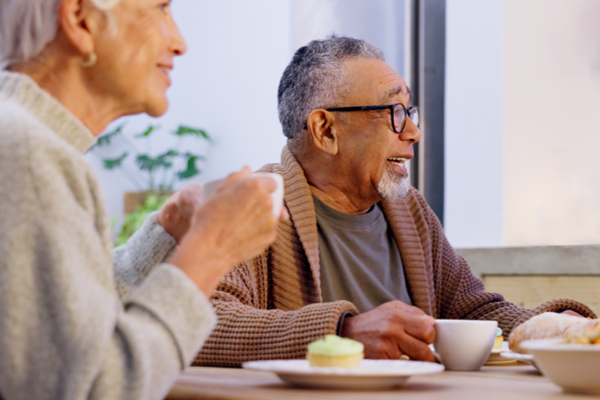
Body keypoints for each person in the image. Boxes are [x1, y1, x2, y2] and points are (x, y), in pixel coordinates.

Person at [193, 35, 595, 367]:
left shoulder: (409, 210)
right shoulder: (252, 204)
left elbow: (472, 312)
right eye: (395, 112)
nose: (415, 132)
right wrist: (343, 332)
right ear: (325, 130)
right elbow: (197, 321)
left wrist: (558, 325)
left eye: (410, 111)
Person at [0, 0, 282, 399]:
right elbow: (97, 387)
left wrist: (167, 234)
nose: (181, 43)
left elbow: (64, 327)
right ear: (80, 19)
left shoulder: (24, 145)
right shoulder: (28, 154)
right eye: (161, 9)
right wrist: (210, 250)